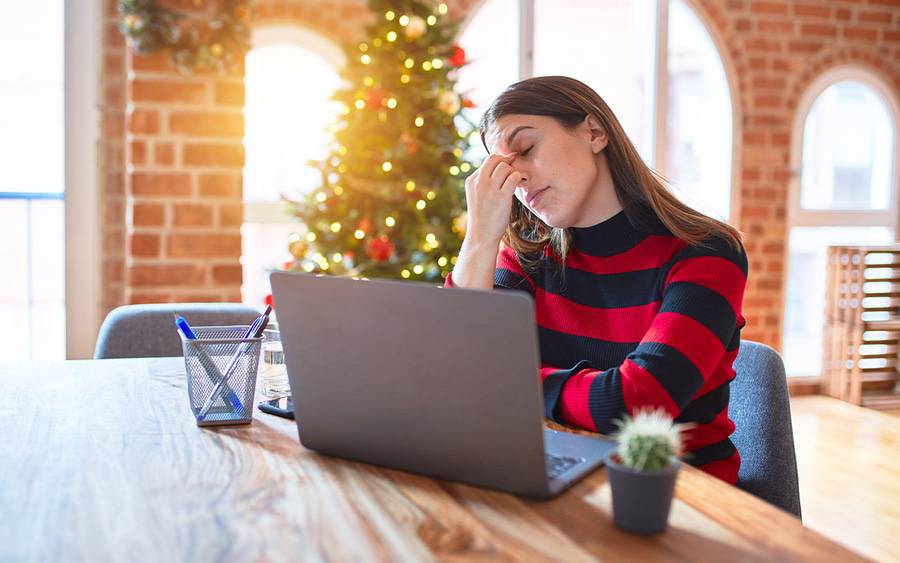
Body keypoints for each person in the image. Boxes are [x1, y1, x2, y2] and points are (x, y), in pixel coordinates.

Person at [447, 76, 747, 484]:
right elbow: (457, 372)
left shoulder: (706, 253)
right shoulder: (528, 255)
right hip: (553, 469)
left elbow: (635, 404)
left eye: (526, 148)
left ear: (594, 132)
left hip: (677, 491)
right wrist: (481, 236)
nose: (516, 180)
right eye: (502, 168)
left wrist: (507, 381)